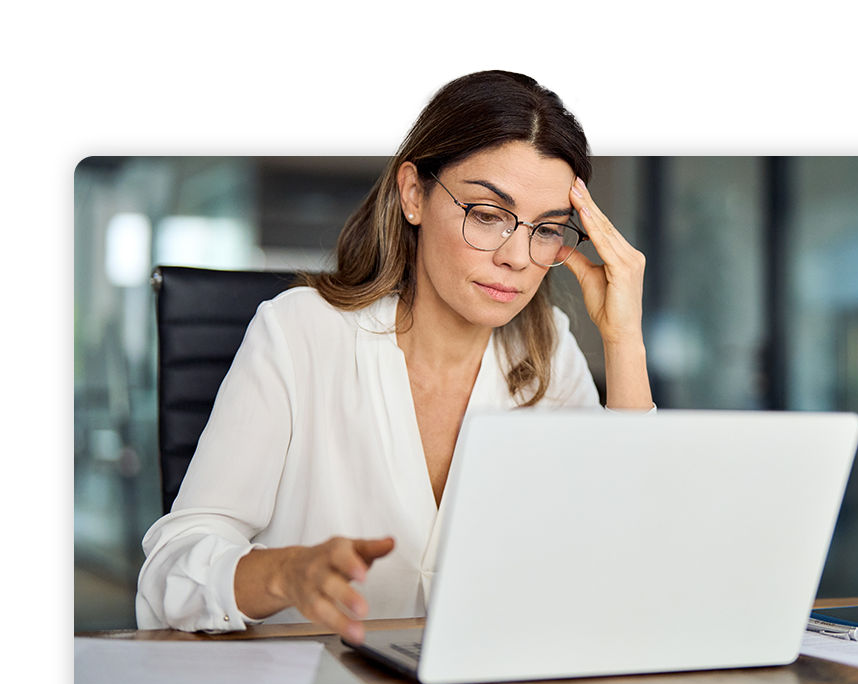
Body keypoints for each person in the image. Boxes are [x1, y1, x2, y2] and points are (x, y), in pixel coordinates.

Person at [135, 71, 653, 644]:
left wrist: (623, 340)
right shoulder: (300, 332)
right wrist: (285, 573)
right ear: (413, 194)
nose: (516, 257)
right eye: (486, 214)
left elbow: (625, 561)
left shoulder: (548, 352)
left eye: (548, 229)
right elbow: (170, 568)